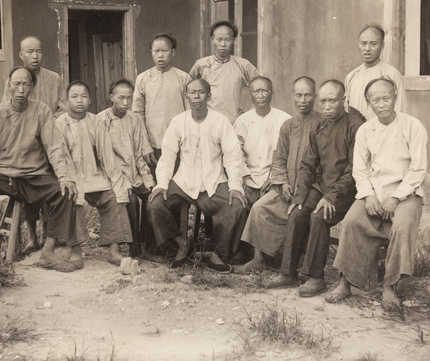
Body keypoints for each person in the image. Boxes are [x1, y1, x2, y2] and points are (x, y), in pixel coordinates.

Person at [0, 67, 78, 272]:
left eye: (26, 84)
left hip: (34, 175)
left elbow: (54, 146)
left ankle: (48, 252)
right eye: (16, 84)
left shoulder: (42, 110)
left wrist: (64, 176)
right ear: (8, 86)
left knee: (66, 191)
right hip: (4, 174)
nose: (21, 89)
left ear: (32, 87)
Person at [326, 77, 427, 310]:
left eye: (386, 98)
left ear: (395, 98)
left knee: (402, 225)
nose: (381, 104)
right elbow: (360, 170)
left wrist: (396, 197)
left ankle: (390, 286)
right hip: (374, 191)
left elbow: (418, 169)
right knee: (351, 221)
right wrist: (369, 196)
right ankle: (346, 281)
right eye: (375, 100)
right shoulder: (365, 130)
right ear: (368, 103)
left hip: (406, 192)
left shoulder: (412, 126)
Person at [265, 80, 364, 297]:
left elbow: (354, 169)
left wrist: (331, 195)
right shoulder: (320, 125)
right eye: (324, 101)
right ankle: (288, 273)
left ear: (344, 100)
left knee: (319, 216)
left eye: (333, 101)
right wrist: (299, 197)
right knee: (297, 213)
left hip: (348, 191)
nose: (327, 106)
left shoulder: (355, 127)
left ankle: (316, 277)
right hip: (322, 188)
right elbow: (308, 163)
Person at [147, 78, 247, 273]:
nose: (197, 96)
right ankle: (181, 243)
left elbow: (233, 156)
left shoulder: (221, 121)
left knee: (237, 206)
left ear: (209, 96)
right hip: (184, 181)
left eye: (201, 92)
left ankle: (219, 254)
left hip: (213, 181)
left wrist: (235, 186)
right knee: (155, 204)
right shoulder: (178, 122)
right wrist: (162, 184)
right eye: (192, 92)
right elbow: (167, 156)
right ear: (186, 96)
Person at [237, 77, 323, 273]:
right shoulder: (288, 126)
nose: (303, 100)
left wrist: (302, 188)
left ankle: (298, 263)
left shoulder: (322, 124)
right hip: (287, 188)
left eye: (307, 95)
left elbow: (321, 166)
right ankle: (259, 258)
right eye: (299, 95)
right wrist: (282, 183)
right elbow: (279, 157)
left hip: (311, 189)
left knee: (297, 213)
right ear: (292, 97)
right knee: (260, 207)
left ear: (315, 97)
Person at [1, 36, 68, 255]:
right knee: (27, 189)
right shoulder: (15, 79)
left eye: (39, 51)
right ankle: (31, 238)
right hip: (25, 144)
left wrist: (49, 122)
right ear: (21, 55)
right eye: (30, 52)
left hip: (48, 140)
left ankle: (48, 234)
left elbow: (63, 107)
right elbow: (6, 110)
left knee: (50, 188)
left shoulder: (54, 78)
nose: (35, 56)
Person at [55, 81, 132, 266]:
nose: (79, 100)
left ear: (90, 100)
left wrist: (115, 179)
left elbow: (106, 154)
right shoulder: (59, 123)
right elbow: (61, 156)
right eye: (74, 96)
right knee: (72, 198)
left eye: (83, 96)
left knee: (114, 197)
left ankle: (114, 250)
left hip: (96, 176)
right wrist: (69, 179)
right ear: (66, 101)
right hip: (73, 177)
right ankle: (76, 250)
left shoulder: (96, 121)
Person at [98, 79, 155, 258]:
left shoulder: (134, 119)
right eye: (121, 98)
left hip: (134, 172)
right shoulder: (101, 120)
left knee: (152, 197)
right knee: (130, 200)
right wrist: (119, 179)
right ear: (111, 97)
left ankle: (149, 244)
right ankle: (133, 246)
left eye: (129, 98)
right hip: (112, 174)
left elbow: (138, 153)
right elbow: (102, 157)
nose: (125, 103)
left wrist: (147, 179)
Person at [233, 76, 291, 207]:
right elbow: (237, 153)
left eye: (265, 91)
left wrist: (276, 178)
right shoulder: (242, 121)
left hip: (274, 180)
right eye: (256, 91)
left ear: (272, 93)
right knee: (238, 209)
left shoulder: (285, 119)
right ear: (250, 95)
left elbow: (288, 154)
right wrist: (243, 175)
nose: (261, 96)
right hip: (248, 179)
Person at [133, 33, 189, 162]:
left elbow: (189, 113)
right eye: (156, 51)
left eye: (164, 50)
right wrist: (145, 146)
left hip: (180, 142)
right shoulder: (143, 79)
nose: (160, 55)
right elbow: (137, 114)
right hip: (153, 143)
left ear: (173, 52)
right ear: (151, 52)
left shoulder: (184, 78)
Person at [189, 21, 259, 124]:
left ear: (233, 40)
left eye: (227, 40)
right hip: (207, 122)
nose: (223, 44)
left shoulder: (243, 65)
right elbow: (188, 92)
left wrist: (250, 113)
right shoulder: (201, 65)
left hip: (234, 123)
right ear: (212, 40)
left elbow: (261, 88)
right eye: (219, 39)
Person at [345, 24, 407, 120]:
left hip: (384, 131)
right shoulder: (351, 76)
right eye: (363, 43)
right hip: (357, 132)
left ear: (382, 46)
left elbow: (401, 110)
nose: (367, 49)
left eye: (373, 44)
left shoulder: (392, 74)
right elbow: (346, 110)